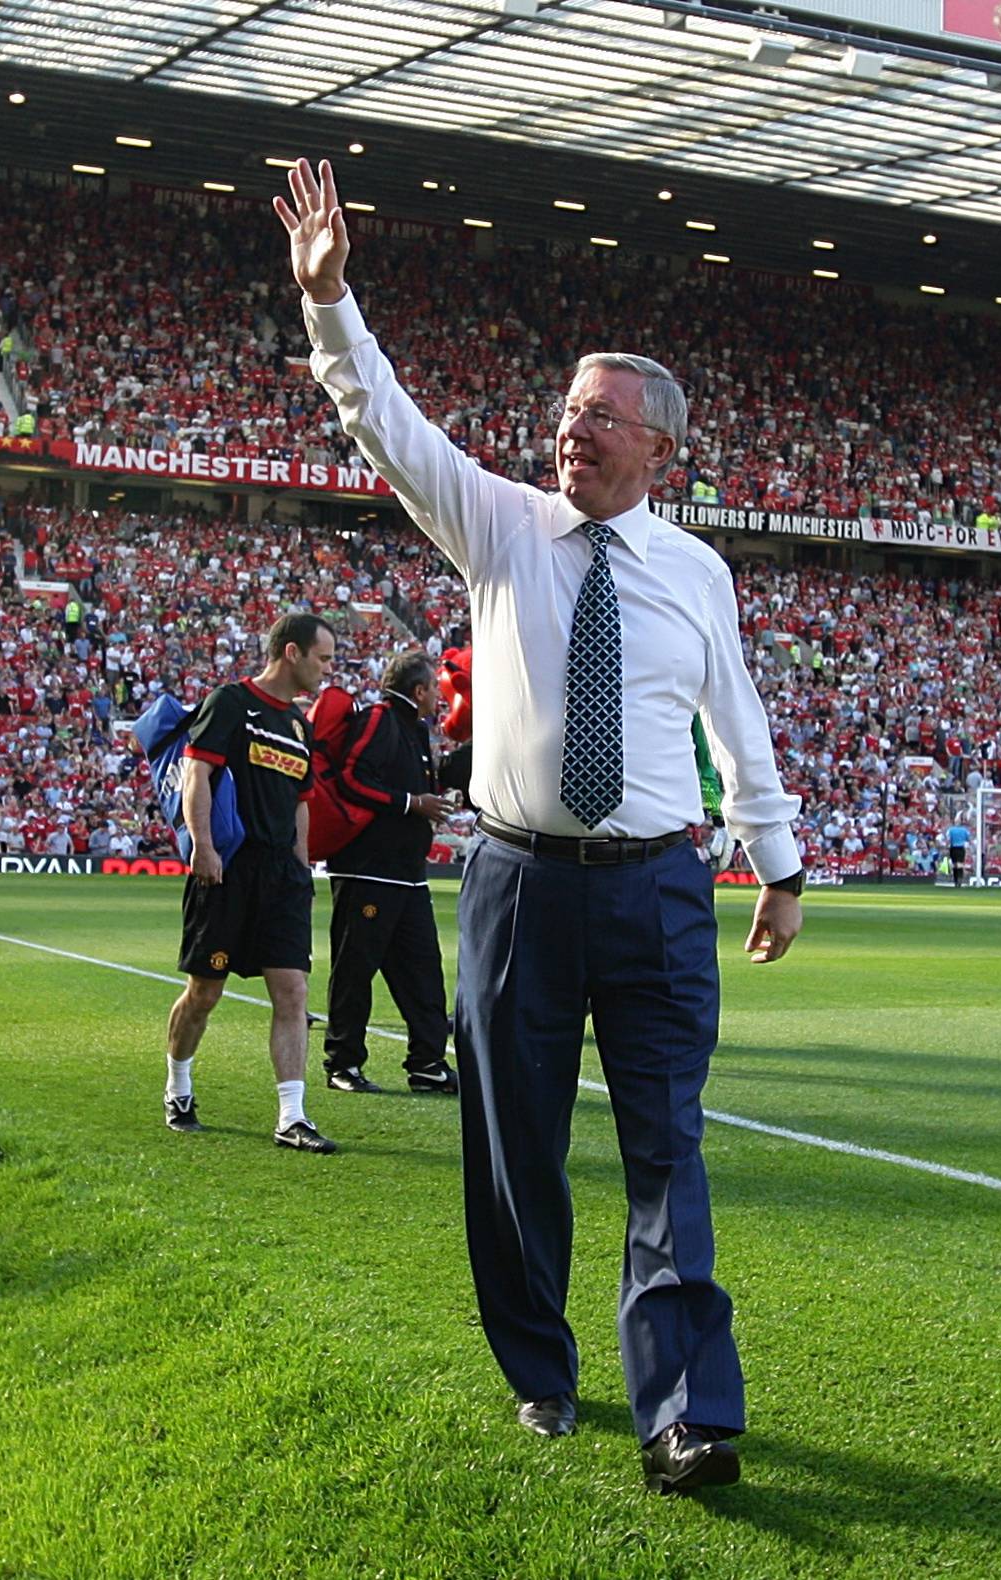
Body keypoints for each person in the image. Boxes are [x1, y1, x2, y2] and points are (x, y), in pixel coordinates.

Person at [279, 158, 806, 1494]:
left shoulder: (698, 574)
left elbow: (738, 721)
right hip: (518, 882)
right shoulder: (501, 528)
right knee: (513, 1145)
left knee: (665, 1148)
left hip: (658, 892)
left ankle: (685, 1409)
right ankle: (541, 1370)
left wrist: (778, 864)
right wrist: (332, 303)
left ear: (659, 449)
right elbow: (386, 425)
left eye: (602, 419)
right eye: (568, 412)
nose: (572, 433)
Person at [164, 612, 338, 1154]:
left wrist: (302, 864)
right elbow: (198, 776)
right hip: (228, 870)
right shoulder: (230, 703)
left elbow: (302, 803)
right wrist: (204, 847)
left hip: (281, 876)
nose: (327, 669)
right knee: (204, 993)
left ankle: (292, 1115)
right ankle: (179, 1085)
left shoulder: (299, 727)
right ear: (292, 652)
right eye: (323, 657)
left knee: (293, 992)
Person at [321, 649, 458, 1097]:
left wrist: (429, 802)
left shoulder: (413, 729)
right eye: (435, 688)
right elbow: (350, 778)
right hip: (369, 870)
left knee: (423, 971)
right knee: (355, 969)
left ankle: (428, 1064)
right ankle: (343, 1063)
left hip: (406, 872)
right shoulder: (380, 719)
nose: (439, 695)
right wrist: (411, 803)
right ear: (418, 691)